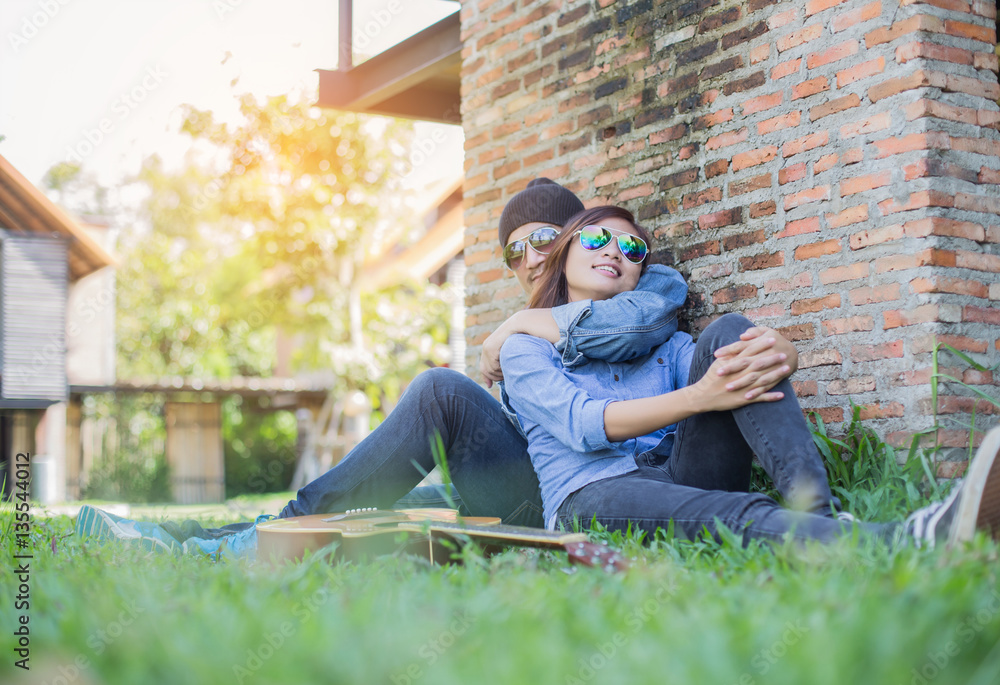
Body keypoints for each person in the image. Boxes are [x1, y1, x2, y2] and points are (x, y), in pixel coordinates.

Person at [80, 178, 791, 556]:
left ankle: (255, 534)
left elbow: (650, 312)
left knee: (435, 394)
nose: (530, 257)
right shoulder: (536, 326)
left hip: (622, 482)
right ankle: (218, 539)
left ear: (577, 238)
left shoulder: (639, 291)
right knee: (395, 507)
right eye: (514, 250)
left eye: (545, 237)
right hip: (550, 483)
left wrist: (518, 325)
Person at [499, 205, 1000, 548]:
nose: (614, 251)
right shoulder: (523, 346)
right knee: (736, 516)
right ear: (565, 252)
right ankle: (914, 539)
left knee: (734, 333)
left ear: (638, 274)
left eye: (633, 249)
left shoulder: (665, 345)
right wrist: (699, 397)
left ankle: (818, 520)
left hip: (679, 470)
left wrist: (785, 354)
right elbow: (584, 425)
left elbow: (735, 373)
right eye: (596, 238)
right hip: (590, 493)